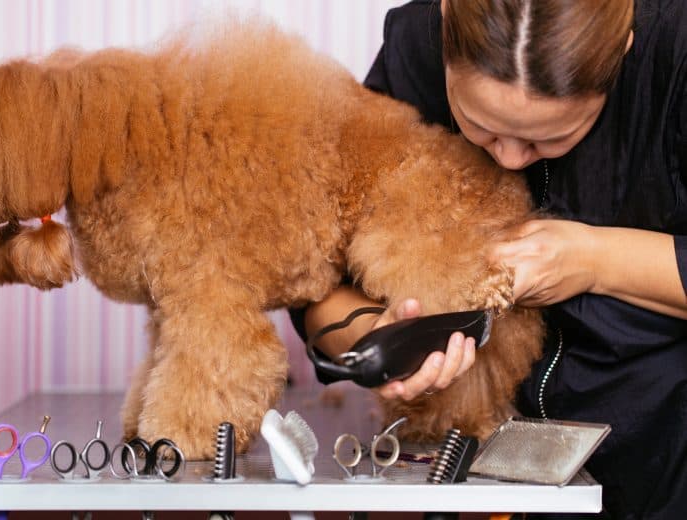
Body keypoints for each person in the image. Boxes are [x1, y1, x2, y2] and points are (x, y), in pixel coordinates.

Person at [289, 0, 687, 518]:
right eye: (480, 125)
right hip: (484, 471)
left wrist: (596, 259)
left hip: (665, 458)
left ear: (623, 49)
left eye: (551, 136)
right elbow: (312, 275)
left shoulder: (676, 45)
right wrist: (377, 338)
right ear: (447, 23)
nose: (510, 158)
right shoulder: (414, 44)